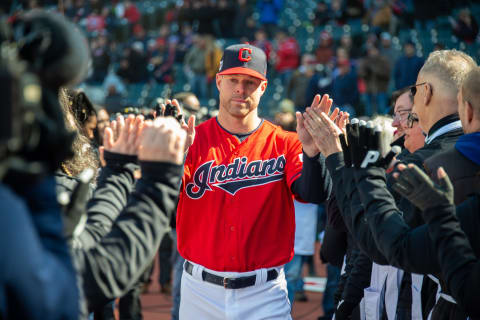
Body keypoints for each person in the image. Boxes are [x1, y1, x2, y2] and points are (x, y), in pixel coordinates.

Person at [174, 43, 334, 319]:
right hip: (200, 291)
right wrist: (170, 158)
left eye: (250, 82)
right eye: (233, 80)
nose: (240, 89)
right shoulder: (192, 141)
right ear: (219, 82)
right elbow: (165, 200)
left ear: (263, 87)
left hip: (265, 293)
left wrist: (312, 154)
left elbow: (312, 193)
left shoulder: (286, 143)